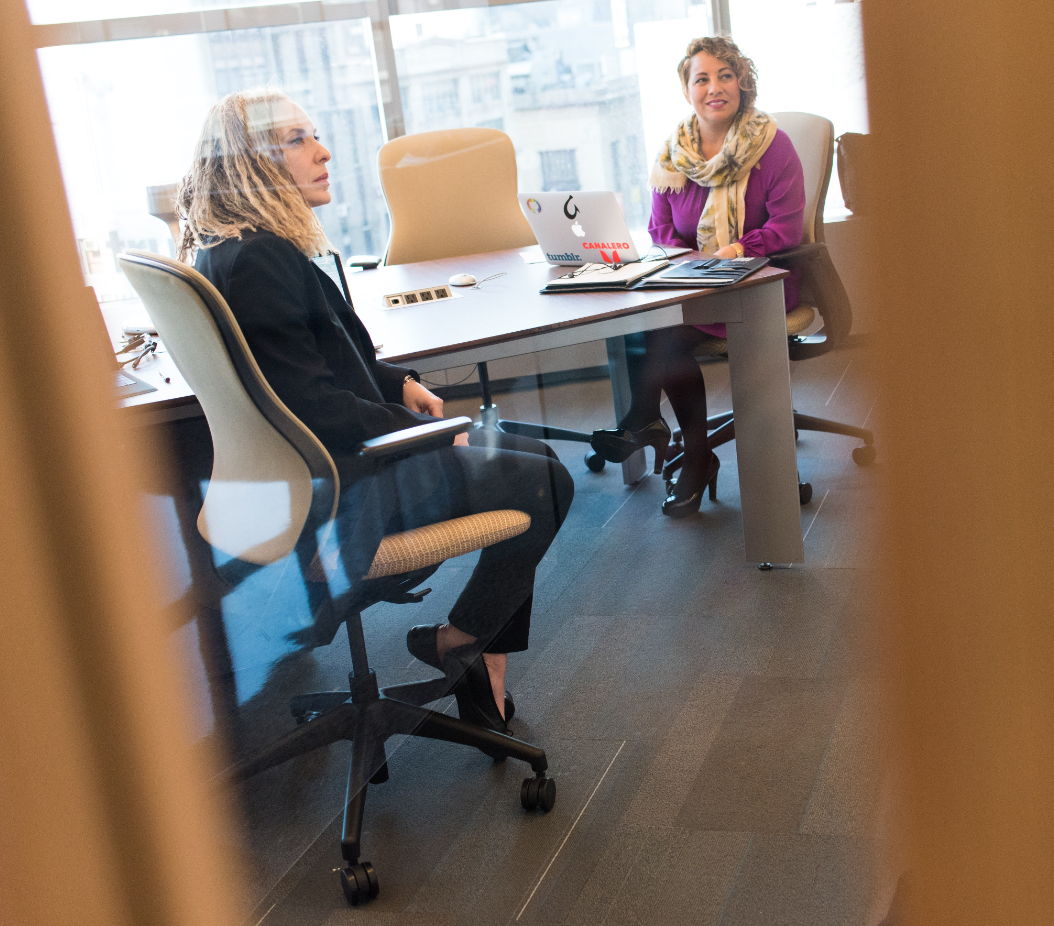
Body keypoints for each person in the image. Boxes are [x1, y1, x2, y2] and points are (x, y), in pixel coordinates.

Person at [177, 87, 572, 733]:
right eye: (298, 140)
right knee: (543, 479)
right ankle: (463, 646)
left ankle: (475, 655)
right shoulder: (262, 263)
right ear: (252, 160)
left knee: (535, 462)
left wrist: (396, 383)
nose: (323, 151)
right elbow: (313, 405)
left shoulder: (229, 252)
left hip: (321, 471)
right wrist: (430, 433)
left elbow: (303, 367)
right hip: (352, 481)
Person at [590, 36, 805, 517]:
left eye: (725, 76)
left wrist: (732, 251)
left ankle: (669, 440)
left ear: (742, 84)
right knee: (645, 322)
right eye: (701, 79)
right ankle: (688, 448)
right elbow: (660, 229)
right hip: (694, 280)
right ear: (687, 90)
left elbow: (786, 227)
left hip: (760, 281)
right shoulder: (674, 152)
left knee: (663, 333)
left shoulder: (771, 146)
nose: (714, 88)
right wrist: (688, 262)